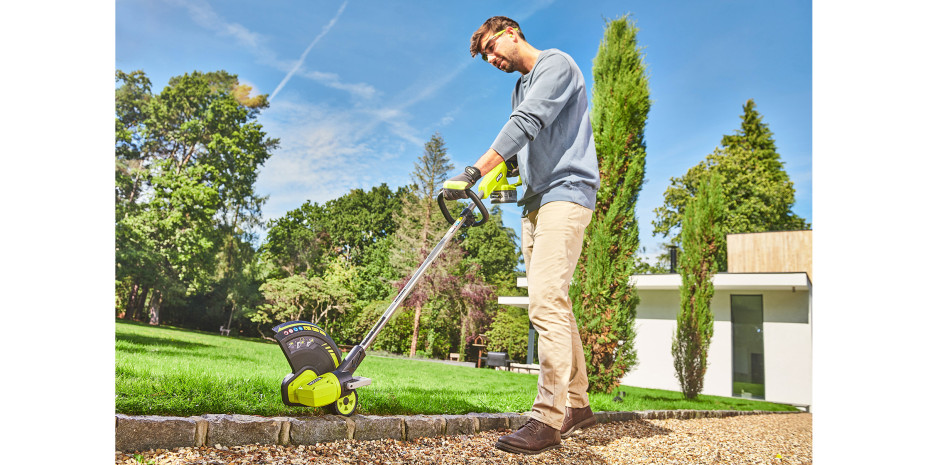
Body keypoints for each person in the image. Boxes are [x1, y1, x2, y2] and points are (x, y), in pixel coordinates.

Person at [441, 16, 601, 455]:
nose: (492, 58)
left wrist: (476, 170)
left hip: (566, 194)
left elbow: (527, 123)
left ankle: (547, 418)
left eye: (493, 47)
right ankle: (579, 403)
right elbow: (527, 147)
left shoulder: (556, 65)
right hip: (534, 203)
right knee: (554, 303)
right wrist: (506, 174)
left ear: (513, 33)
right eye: (487, 55)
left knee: (545, 302)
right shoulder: (519, 87)